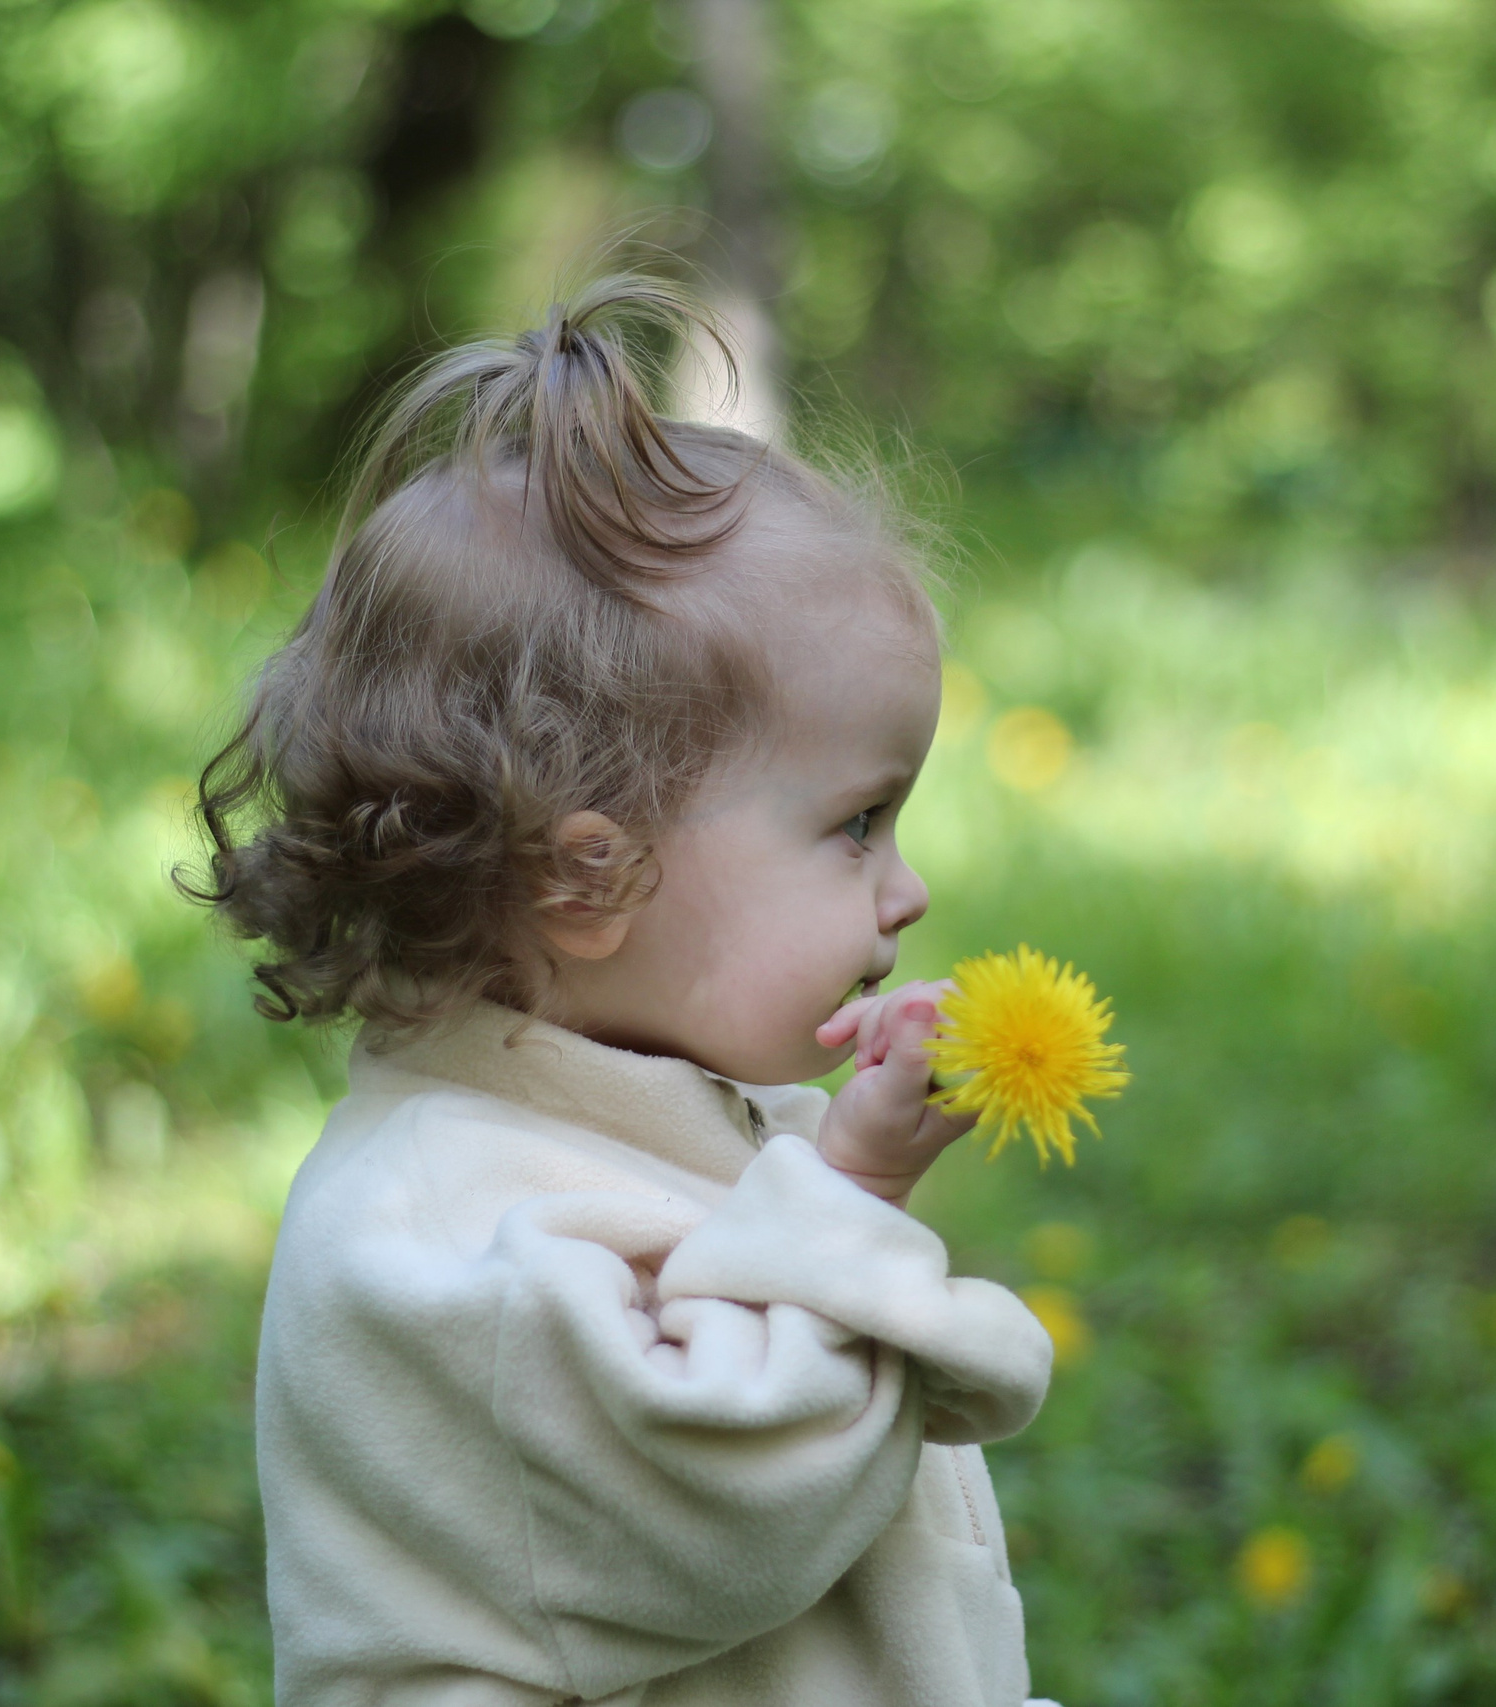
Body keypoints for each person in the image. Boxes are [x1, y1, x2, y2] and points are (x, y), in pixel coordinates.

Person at [189, 274, 1058, 1706]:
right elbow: (732, 1503)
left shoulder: (632, 1114)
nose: (905, 891)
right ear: (588, 881)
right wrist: (848, 1189)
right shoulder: (435, 1233)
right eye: (854, 823)